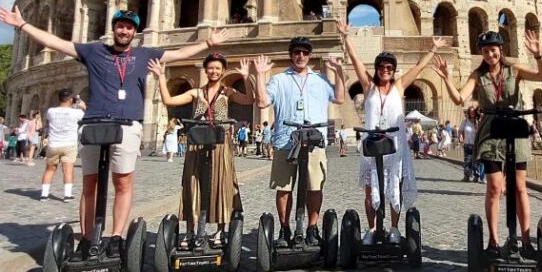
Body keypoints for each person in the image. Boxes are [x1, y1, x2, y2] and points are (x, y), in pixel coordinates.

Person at [0, 5, 229, 258]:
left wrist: (208, 42)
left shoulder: (144, 55)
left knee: (123, 182)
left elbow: (180, 53)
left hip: (127, 124)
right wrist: (22, 25)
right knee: (90, 184)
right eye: (120, 26)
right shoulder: (94, 51)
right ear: (114, 29)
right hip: (95, 123)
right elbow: (56, 43)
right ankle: (87, 239)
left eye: (129, 27)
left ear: (134, 32)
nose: (124, 31)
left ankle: (116, 237)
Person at [434, 29, 542, 255]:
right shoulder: (478, 75)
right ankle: (494, 242)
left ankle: (526, 241)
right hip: (490, 132)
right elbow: (459, 98)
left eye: (493, 50)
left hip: (515, 129)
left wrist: (538, 55)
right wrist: (446, 78)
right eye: (485, 51)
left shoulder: (514, 70)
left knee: (519, 187)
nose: (489, 55)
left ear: (500, 50)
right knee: (494, 187)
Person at [338, 19, 446, 245]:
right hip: (371, 143)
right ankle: (372, 228)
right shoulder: (369, 86)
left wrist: (433, 49)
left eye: (389, 68)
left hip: (395, 145)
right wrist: (346, 37)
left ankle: (394, 228)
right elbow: (356, 61)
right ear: (377, 69)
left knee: (394, 186)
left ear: (393, 70)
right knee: (370, 190)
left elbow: (419, 68)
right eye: (382, 67)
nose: (385, 70)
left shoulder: (399, 86)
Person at [150, 53, 251, 243]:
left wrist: (246, 78)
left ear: (223, 71)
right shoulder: (196, 93)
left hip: (220, 142)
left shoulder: (227, 92)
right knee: (192, 182)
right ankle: (191, 230)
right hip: (197, 142)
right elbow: (168, 101)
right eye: (211, 68)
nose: (214, 71)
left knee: (221, 182)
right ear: (206, 70)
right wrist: (161, 76)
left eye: (218, 68)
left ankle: (221, 230)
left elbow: (249, 100)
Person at [254, 37, 345, 247]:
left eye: (305, 52)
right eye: (296, 52)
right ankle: (285, 229)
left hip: (314, 141)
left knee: (315, 187)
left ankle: (312, 228)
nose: (301, 56)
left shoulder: (320, 79)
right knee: (284, 189)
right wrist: (259, 75)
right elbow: (262, 102)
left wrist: (340, 72)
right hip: (286, 141)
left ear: (310, 56)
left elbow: (339, 98)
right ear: (291, 55)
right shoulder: (279, 80)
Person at [40, 89, 86, 202]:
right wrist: (83, 106)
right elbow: (86, 117)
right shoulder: (77, 113)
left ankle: (44, 195)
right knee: (68, 170)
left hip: (54, 144)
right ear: (70, 99)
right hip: (69, 144)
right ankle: (67, 195)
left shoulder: (51, 111)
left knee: (50, 170)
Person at [459, 107, 480, 182]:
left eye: (473, 111)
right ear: (468, 112)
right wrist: (461, 137)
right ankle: (467, 176)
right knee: (467, 160)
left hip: (476, 144)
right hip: (467, 144)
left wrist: (477, 126)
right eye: (470, 111)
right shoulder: (465, 121)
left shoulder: (478, 121)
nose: (472, 113)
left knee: (476, 161)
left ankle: (476, 177)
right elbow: (460, 131)